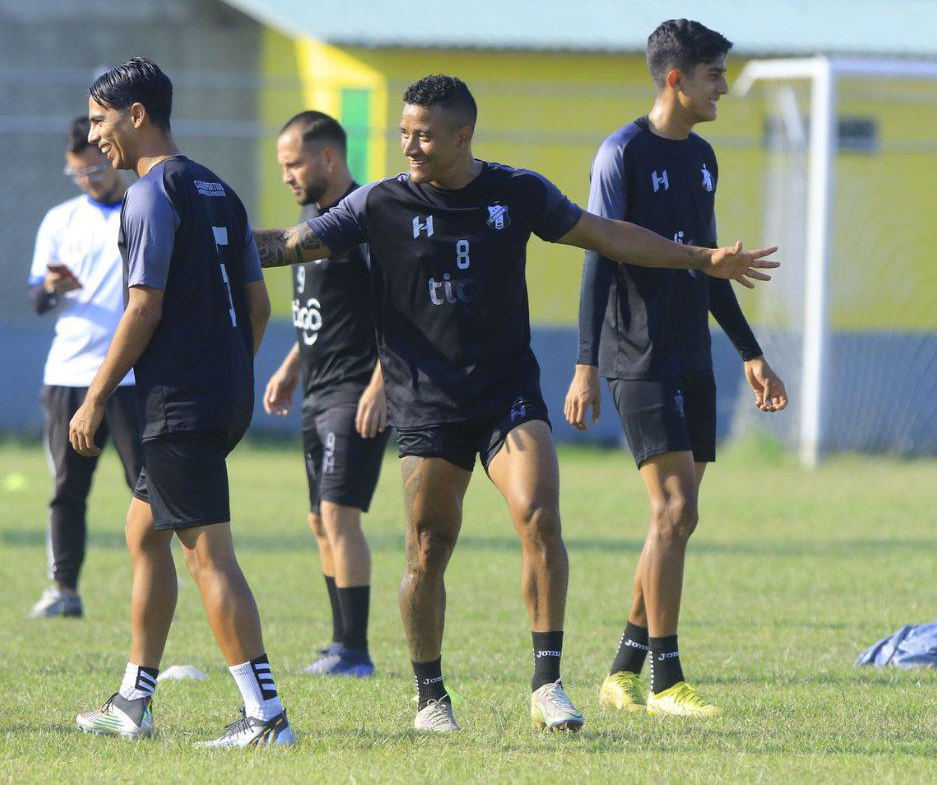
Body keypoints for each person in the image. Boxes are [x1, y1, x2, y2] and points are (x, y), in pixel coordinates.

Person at [250, 74, 778, 733]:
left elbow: (609, 236)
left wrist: (701, 258)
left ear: (462, 135)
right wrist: (208, 241)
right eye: (405, 133)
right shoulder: (380, 204)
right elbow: (291, 246)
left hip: (507, 394)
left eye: (424, 135)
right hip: (427, 402)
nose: (410, 145)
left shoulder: (517, 192)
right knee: (426, 548)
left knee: (540, 518)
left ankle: (548, 683)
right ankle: (431, 696)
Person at [564, 19, 789, 719]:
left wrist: (749, 351)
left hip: (692, 356)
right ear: (675, 78)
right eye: (714, 73)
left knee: (675, 523)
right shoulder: (622, 154)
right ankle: (667, 681)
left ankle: (622, 672)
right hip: (638, 357)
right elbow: (599, 255)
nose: (724, 85)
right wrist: (585, 364)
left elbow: (710, 263)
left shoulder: (703, 158)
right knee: (674, 509)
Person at [67, 57, 294, 748]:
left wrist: (95, 398)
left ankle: (267, 717)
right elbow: (257, 304)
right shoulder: (220, 190)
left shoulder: (149, 194)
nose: (97, 135)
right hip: (220, 393)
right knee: (145, 534)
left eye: (103, 120)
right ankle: (134, 701)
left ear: (137, 116)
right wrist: (228, 373)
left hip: (178, 401)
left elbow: (143, 308)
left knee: (207, 556)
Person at [262, 111, 388, 677]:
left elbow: (398, 311)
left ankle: (356, 651)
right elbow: (325, 311)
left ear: (329, 158)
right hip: (317, 387)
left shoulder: (363, 222)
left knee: (339, 512)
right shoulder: (310, 223)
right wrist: (292, 363)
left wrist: (381, 385)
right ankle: (339, 642)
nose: (287, 175)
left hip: (355, 391)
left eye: (294, 163)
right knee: (319, 519)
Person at [26, 116, 143, 619]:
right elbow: (35, 298)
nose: (91, 178)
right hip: (69, 374)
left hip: (132, 376)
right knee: (67, 489)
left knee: (149, 487)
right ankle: (64, 589)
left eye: (97, 167)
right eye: (80, 173)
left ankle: (159, 581)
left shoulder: (144, 207)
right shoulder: (59, 220)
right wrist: (54, 288)